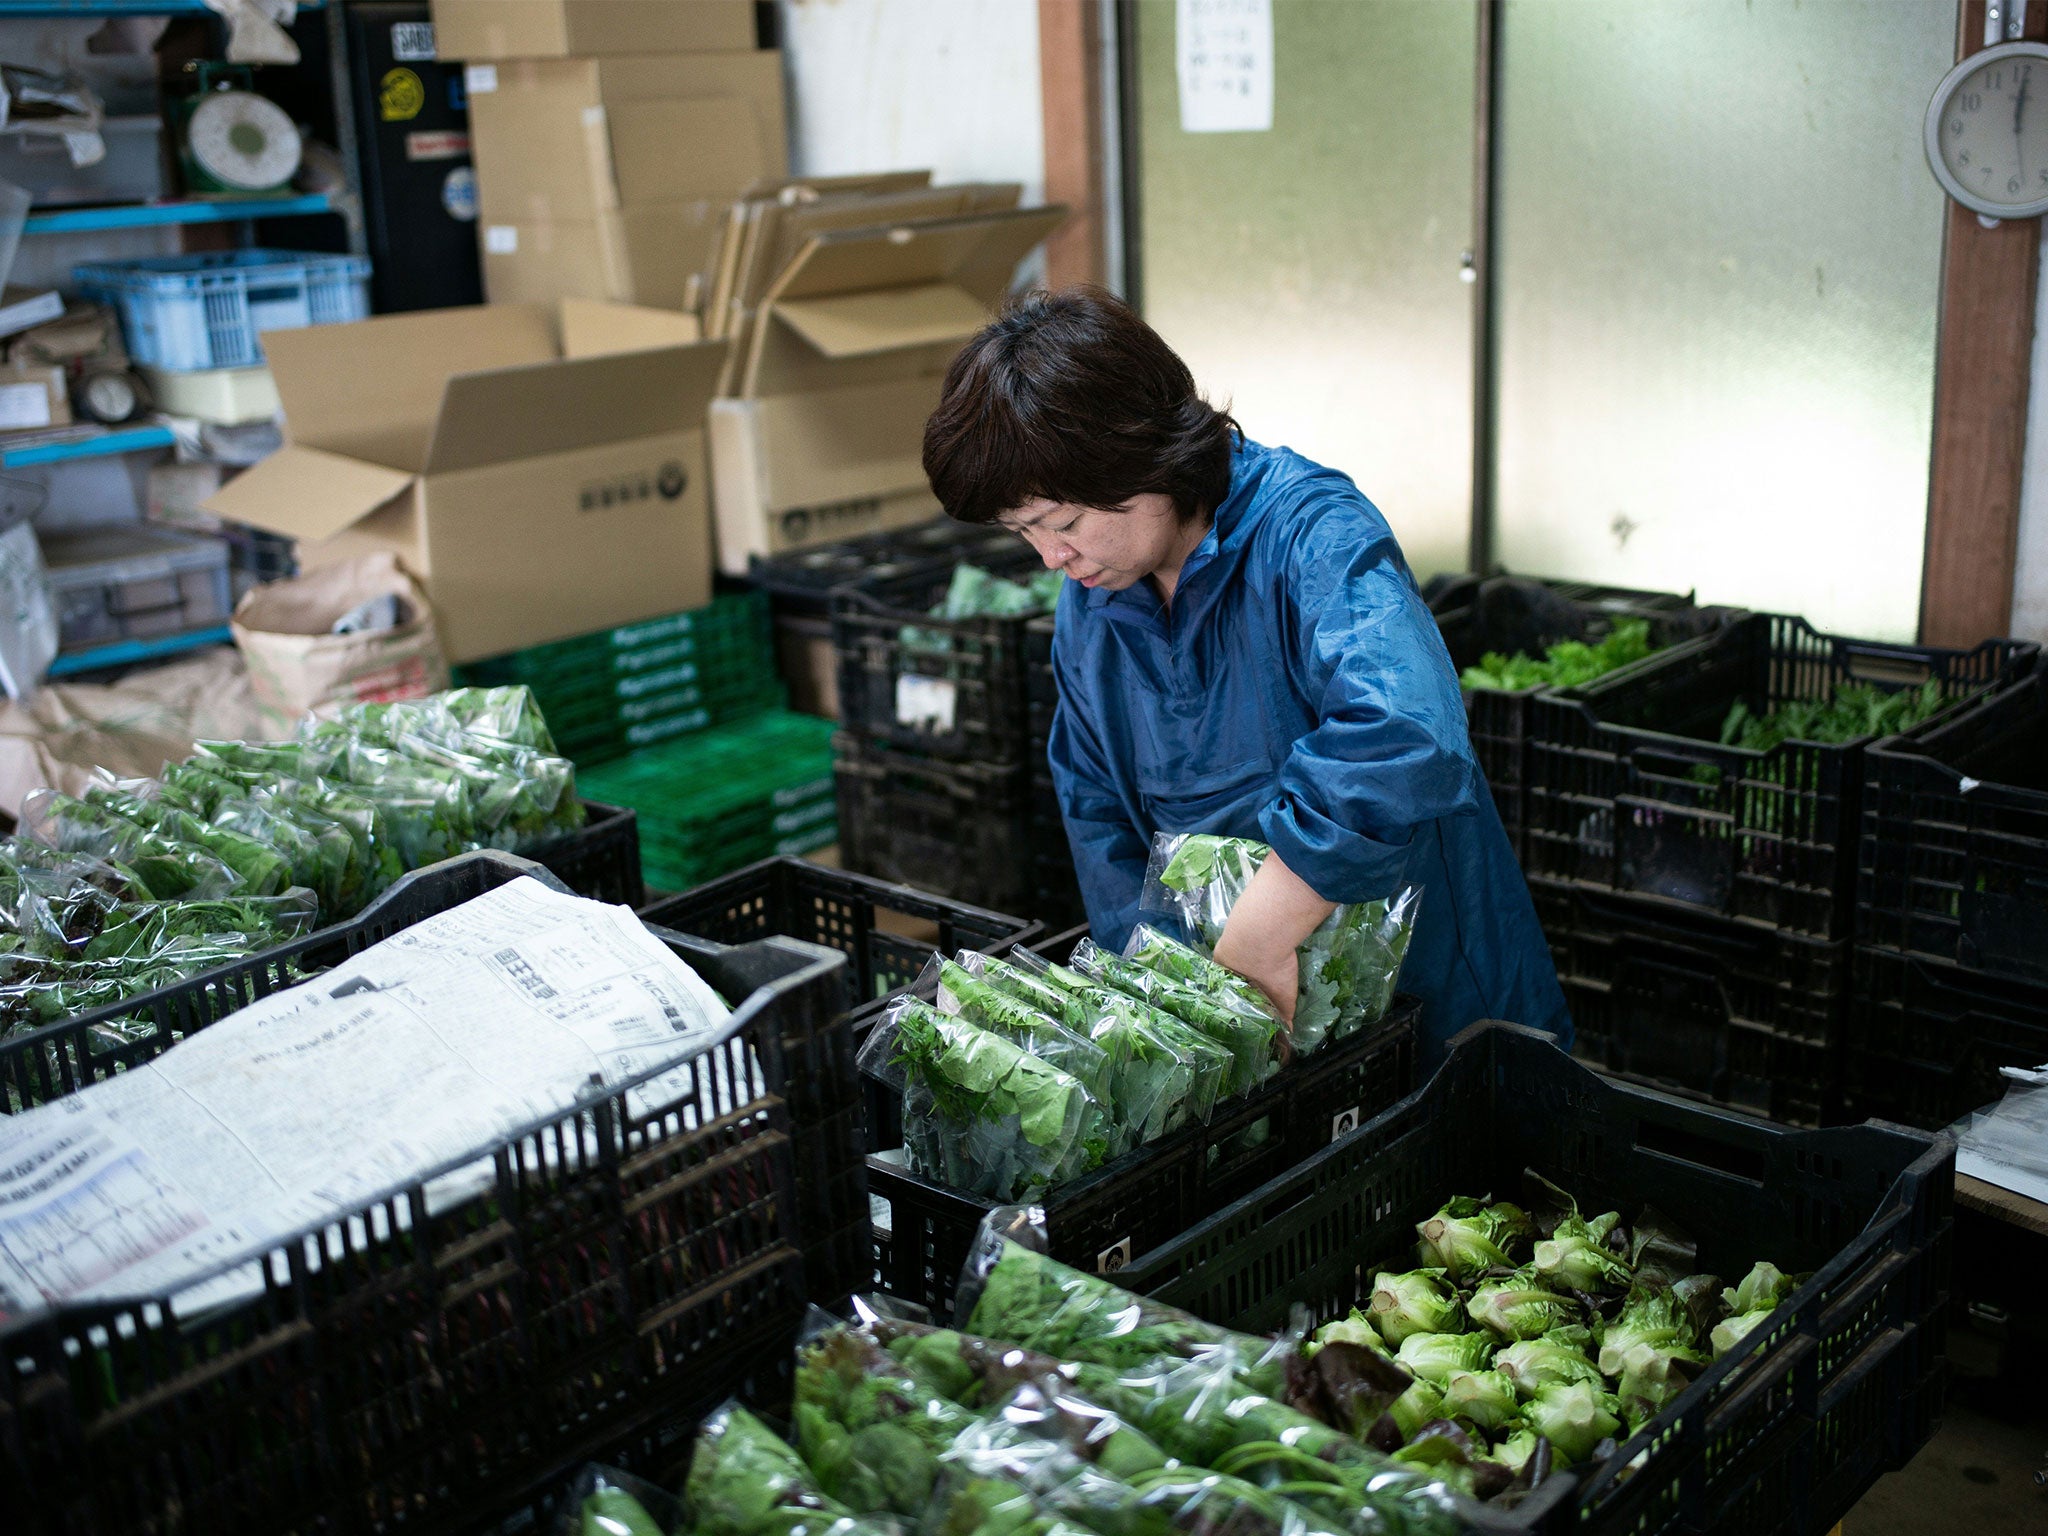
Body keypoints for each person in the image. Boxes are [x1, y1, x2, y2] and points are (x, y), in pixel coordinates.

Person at [920, 286, 1568, 1066]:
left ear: (1142, 457)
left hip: (1437, 1006)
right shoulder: (1091, 604)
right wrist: (1170, 1001)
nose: (1052, 558)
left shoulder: (1310, 536)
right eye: (1024, 533)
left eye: (1062, 523)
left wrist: (1263, 931)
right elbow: (1097, 813)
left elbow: (1407, 731)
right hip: (1247, 1030)